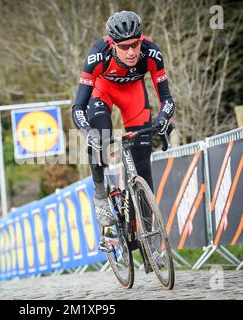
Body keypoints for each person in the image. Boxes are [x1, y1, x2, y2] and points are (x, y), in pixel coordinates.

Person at [71, 11, 175, 252]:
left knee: (143, 167)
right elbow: (77, 106)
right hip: (103, 92)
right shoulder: (98, 54)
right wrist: (87, 131)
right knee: (101, 136)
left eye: (135, 44)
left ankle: (148, 235)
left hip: (133, 96)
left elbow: (167, 98)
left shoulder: (151, 52)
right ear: (113, 44)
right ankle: (101, 198)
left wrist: (163, 117)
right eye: (124, 46)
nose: (131, 52)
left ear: (141, 40)